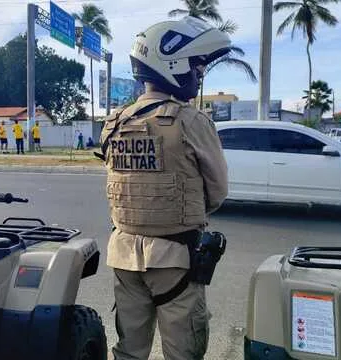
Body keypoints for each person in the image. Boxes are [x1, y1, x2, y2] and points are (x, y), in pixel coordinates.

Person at [99, 17, 231, 360]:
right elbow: (217, 192)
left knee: (129, 350)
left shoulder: (115, 122)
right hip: (176, 259)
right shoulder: (191, 121)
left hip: (124, 255)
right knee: (182, 351)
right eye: (195, 68)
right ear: (171, 64)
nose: (198, 76)